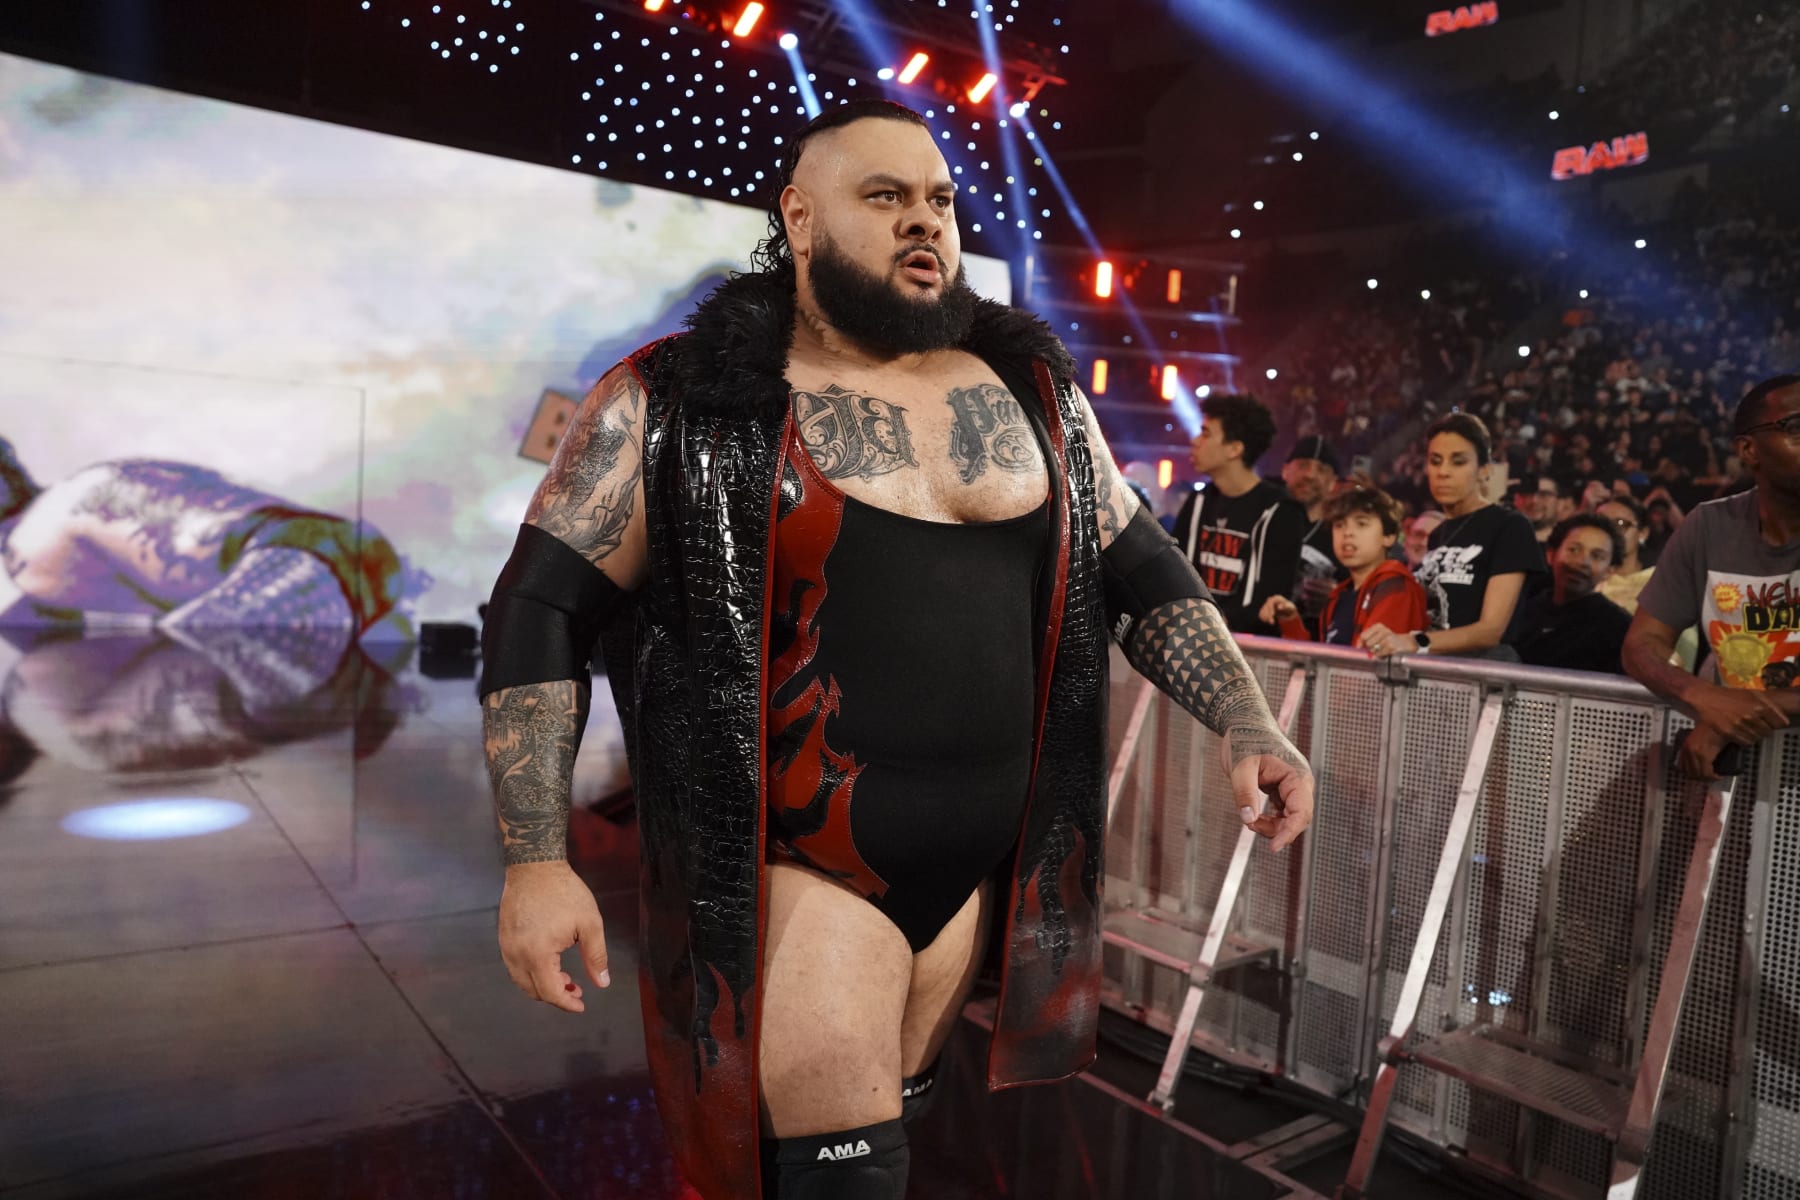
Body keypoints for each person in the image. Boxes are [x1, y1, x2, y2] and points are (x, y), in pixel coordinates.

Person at [475, 100, 1315, 1200]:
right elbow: (538, 610)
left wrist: (1247, 717)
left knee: (883, 1151)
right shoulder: (678, 398)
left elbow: (1143, 569)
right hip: (802, 877)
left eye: (939, 200)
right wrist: (537, 860)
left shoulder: (1036, 397)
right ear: (802, 218)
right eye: (886, 197)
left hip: (973, 881)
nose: (926, 222)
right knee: (842, 1176)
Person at [1624, 374, 1800, 779]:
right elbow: (1642, 644)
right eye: (1796, 426)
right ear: (1748, 449)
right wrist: (1704, 696)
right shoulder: (1709, 526)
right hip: (1743, 775)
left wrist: (1736, 707)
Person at [1365, 413, 1544, 660]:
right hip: (1437, 670)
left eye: (1458, 462)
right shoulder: (1439, 533)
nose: (1443, 472)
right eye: (1435, 461)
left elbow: (1491, 630)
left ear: (1484, 470)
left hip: (1485, 675)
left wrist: (1414, 641)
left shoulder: (1510, 526)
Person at [1173, 394, 1309, 636]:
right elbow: (1172, 571)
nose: (1195, 441)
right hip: (1191, 642)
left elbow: (1270, 598)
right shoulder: (1199, 502)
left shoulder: (1281, 511)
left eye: (1206, 433)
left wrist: (1215, 625)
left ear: (1234, 449)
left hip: (1248, 653)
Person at [1258, 483, 1426, 649]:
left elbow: (1367, 664)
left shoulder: (1395, 585)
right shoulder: (1338, 596)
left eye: (1361, 524)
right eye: (1339, 525)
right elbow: (1321, 663)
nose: (1347, 533)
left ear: (1389, 536)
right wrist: (1290, 621)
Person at [1515, 514, 1633, 674]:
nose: (1582, 562)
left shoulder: (1618, 627)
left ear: (1609, 570)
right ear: (1551, 555)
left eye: (1597, 556)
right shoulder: (1522, 609)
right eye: (1574, 550)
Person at [1596, 494, 1656, 614]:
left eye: (1620, 524)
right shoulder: (1583, 579)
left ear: (1643, 533)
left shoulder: (1658, 582)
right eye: (1600, 524)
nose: (1609, 531)